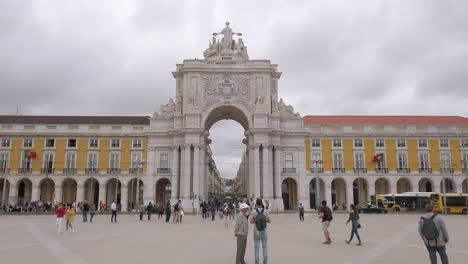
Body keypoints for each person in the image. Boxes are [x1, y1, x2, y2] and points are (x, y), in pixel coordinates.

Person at [250, 199, 271, 264]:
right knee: (264, 247)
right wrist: (265, 220)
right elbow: (269, 221)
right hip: (264, 231)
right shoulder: (266, 211)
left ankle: (257, 261)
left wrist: (255, 220)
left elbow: (251, 221)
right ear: (262, 204)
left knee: (256, 247)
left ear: (256, 204)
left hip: (256, 231)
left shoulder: (253, 211)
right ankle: (265, 261)